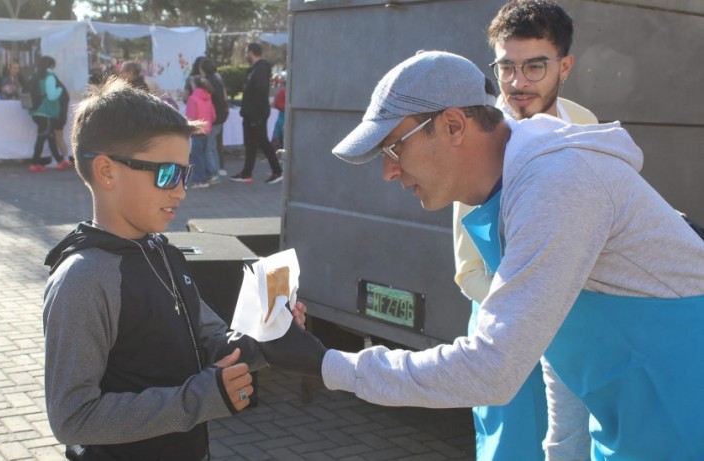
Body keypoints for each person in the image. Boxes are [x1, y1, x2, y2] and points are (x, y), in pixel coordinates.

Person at [259, 50, 704, 461]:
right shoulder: (518, 184)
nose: (389, 170)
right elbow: (559, 346)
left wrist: (327, 363)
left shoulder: (555, 182)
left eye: (394, 146)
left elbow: (492, 368)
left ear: (454, 125)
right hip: (646, 430)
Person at [42, 77, 306, 460]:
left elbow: (212, 341)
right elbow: (72, 417)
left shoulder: (164, 251)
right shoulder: (84, 278)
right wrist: (199, 398)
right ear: (107, 172)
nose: (180, 190)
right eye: (167, 174)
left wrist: (271, 337)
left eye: (185, 173)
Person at [452, 2, 598, 459]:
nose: (517, 82)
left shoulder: (588, 126)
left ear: (565, 65)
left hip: (580, 329)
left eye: (535, 66)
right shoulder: (478, 141)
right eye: (506, 67)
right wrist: (525, 315)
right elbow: (467, 270)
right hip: (504, 332)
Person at [230, 43, 283, 184]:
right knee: (250, 143)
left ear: (252, 52)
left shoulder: (261, 69)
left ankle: (277, 171)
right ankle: (246, 173)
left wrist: (255, 114)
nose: (245, 55)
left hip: (256, 114)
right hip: (249, 113)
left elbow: (260, 92)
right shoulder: (253, 69)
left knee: (263, 142)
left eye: (247, 52)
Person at [28, 56, 72, 173]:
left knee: (50, 136)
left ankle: (59, 161)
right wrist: (60, 90)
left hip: (36, 111)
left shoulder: (34, 76)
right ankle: (34, 163)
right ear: (51, 65)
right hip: (47, 112)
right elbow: (52, 95)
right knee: (42, 138)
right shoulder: (50, 77)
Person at [184, 75, 217, 189]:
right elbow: (213, 116)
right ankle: (209, 175)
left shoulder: (192, 99)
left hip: (196, 131)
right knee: (203, 155)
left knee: (196, 157)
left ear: (195, 85)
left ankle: (199, 180)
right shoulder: (208, 97)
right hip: (206, 130)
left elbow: (191, 117)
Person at [200, 57, 230, 180]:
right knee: (212, 146)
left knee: (209, 148)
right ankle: (215, 170)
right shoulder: (218, 80)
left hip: (213, 118)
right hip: (220, 117)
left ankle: (213, 173)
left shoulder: (207, 82)